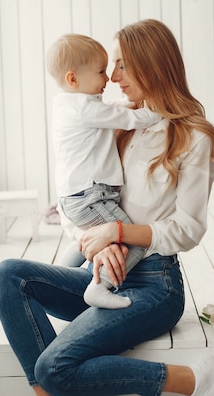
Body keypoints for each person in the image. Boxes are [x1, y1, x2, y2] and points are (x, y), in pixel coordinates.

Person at [0, 19, 214, 396]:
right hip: (100, 276)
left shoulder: (193, 135)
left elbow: (189, 228)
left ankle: (195, 379)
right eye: (112, 66)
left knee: (54, 367)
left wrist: (117, 232)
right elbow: (79, 202)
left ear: (150, 64)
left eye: (122, 64)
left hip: (154, 286)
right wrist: (100, 243)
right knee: (7, 274)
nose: (114, 77)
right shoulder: (116, 124)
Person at [46, 33, 161, 309]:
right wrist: (161, 110)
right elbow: (130, 119)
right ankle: (99, 286)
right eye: (100, 71)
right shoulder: (85, 108)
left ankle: (64, 270)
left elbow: (109, 110)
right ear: (73, 79)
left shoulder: (68, 105)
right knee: (133, 241)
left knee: (101, 238)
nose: (108, 78)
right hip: (92, 196)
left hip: (76, 198)